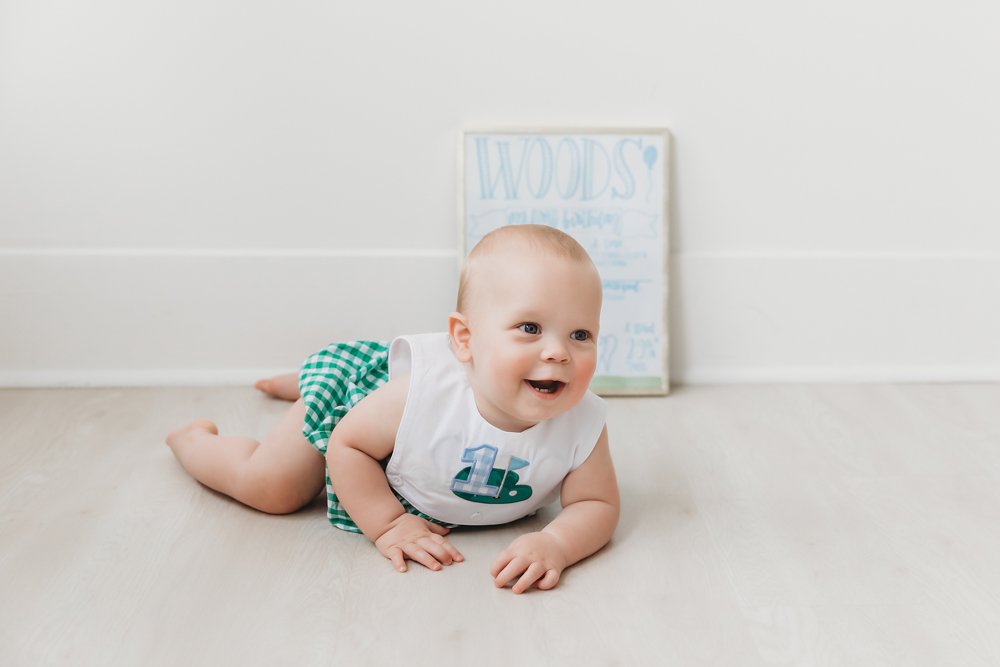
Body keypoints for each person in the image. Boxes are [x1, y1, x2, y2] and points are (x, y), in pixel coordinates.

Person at [166, 224, 620, 594]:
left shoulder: (582, 423)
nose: (559, 352)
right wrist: (389, 525)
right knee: (273, 486)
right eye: (530, 327)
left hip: (395, 431)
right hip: (362, 410)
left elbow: (596, 503)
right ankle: (195, 439)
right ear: (465, 340)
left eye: (581, 335)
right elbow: (349, 444)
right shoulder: (423, 394)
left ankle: (297, 383)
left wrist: (556, 544)